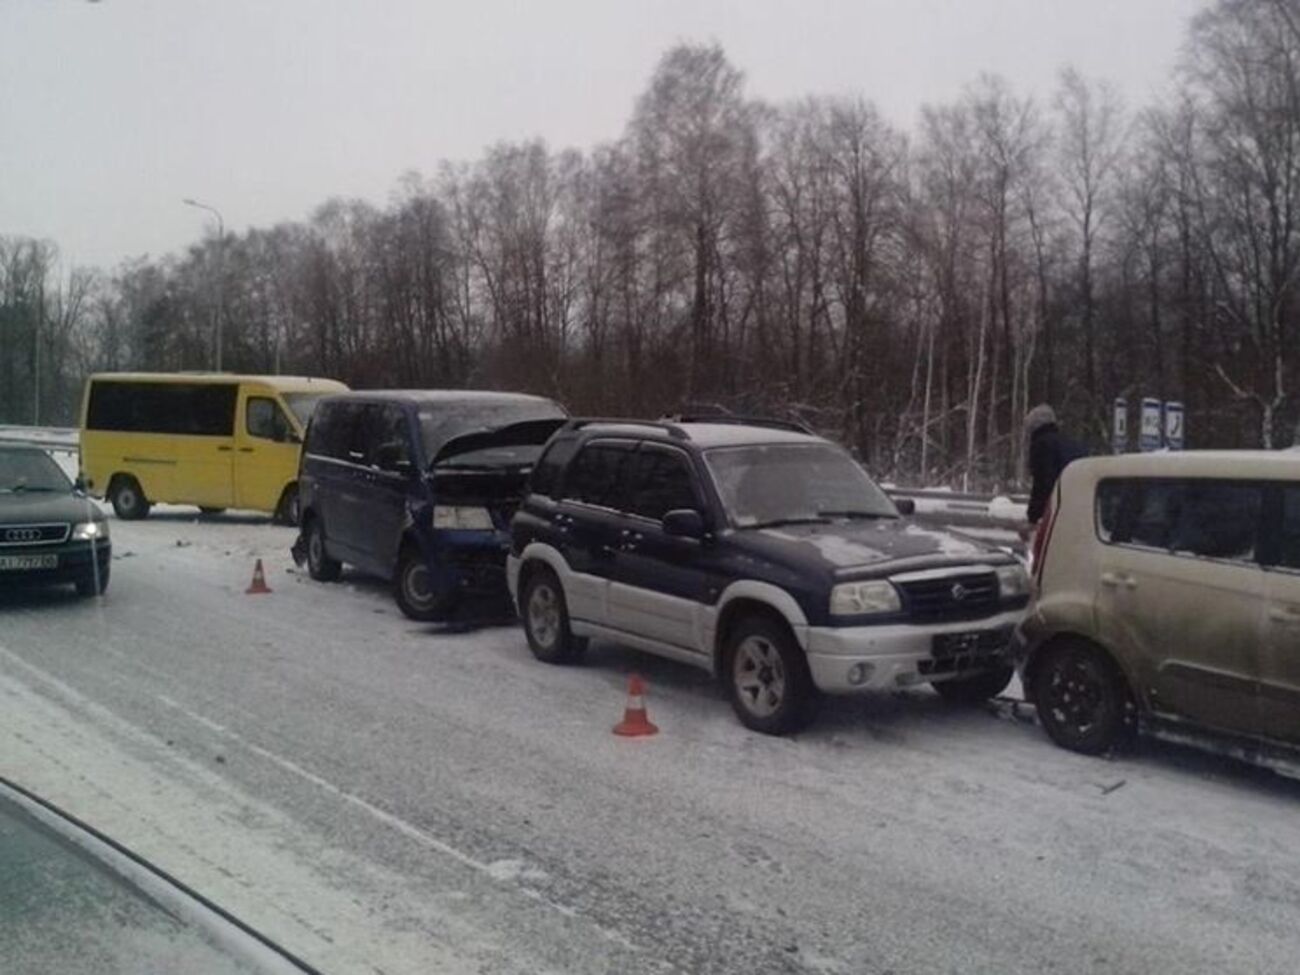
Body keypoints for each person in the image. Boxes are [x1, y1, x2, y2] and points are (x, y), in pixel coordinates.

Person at [1025, 404, 1088, 527]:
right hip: (1079, 507)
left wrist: (1033, 517)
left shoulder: (1041, 444)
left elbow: (1042, 483)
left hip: (1058, 510)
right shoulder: (1070, 442)